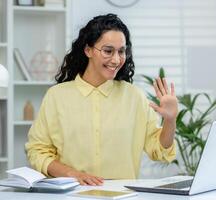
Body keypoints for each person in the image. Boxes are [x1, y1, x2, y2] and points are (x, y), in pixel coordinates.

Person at [25, 13, 178, 186]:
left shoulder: (135, 97)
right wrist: (73, 174)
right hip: (73, 194)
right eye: (108, 51)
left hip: (122, 195)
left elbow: (159, 151)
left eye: (121, 51)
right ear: (88, 50)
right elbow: (37, 151)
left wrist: (170, 120)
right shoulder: (57, 96)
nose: (116, 59)